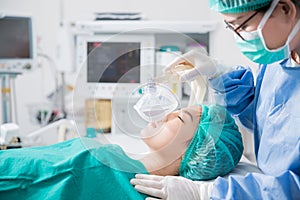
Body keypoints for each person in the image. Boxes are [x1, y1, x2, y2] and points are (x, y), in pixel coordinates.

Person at [131, 0, 300, 199]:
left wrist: (210, 192)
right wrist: (219, 76)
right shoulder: (279, 59)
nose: (240, 37)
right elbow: (271, 117)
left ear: (285, 8)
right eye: (230, 27)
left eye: (243, 26)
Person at [0, 104, 243, 199]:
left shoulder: (96, 166)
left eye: (179, 117)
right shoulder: (115, 160)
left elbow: (18, 177)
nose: (167, 113)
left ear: (190, 151)